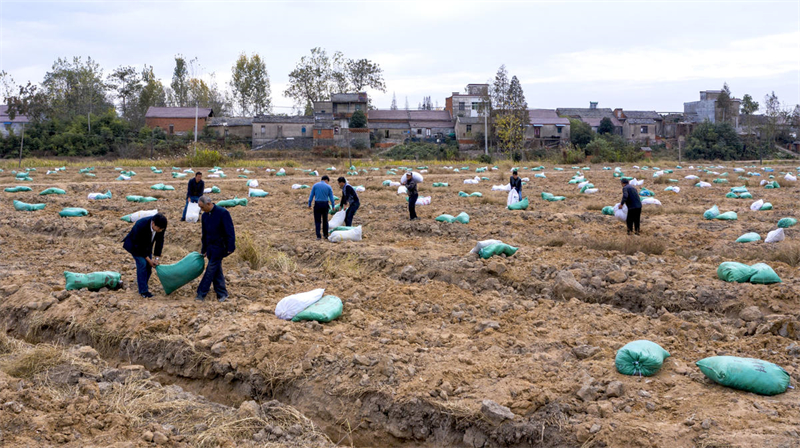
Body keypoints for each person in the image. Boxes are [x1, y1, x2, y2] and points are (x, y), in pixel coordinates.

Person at [196, 196, 236, 302]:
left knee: (210, 269)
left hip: (220, 247)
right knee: (216, 270)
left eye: (202, 207)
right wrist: (204, 249)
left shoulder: (223, 213)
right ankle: (222, 294)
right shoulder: (204, 216)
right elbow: (204, 234)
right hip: (210, 248)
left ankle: (201, 293)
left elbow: (229, 230)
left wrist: (231, 246)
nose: (201, 210)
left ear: (208, 204)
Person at [122, 213, 167, 298]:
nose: (160, 230)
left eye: (162, 229)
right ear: (153, 224)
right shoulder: (141, 225)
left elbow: (159, 242)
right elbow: (138, 246)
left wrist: (156, 258)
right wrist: (149, 260)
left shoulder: (161, 226)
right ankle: (143, 291)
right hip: (134, 246)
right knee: (142, 263)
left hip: (147, 246)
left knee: (148, 268)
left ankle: (143, 284)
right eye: (159, 228)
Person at [308, 175, 335, 239]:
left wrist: (309, 204)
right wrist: (333, 205)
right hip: (325, 204)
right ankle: (325, 235)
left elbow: (311, 195)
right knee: (325, 220)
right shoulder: (328, 187)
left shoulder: (315, 185)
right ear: (326, 180)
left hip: (317, 204)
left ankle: (318, 236)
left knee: (317, 221)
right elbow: (331, 198)